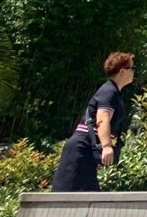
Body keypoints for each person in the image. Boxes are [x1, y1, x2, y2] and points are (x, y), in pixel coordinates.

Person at [51, 52, 136, 193]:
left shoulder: (114, 92)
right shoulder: (109, 92)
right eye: (132, 68)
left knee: (87, 195)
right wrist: (107, 146)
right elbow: (102, 119)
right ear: (122, 71)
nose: (134, 72)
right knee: (69, 195)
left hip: (87, 150)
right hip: (80, 149)